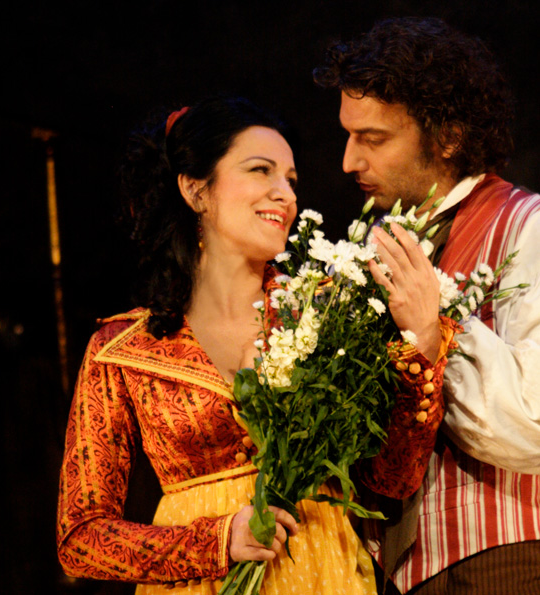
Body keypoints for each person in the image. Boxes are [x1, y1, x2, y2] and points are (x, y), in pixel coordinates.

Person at [56, 96, 454, 594]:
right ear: (196, 190)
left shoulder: (327, 314)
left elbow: (391, 480)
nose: (284, 194)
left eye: (290, 179)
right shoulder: (121, 350)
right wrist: (217, 541)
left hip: (320, 574)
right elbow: (81, 538)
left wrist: (421, 352)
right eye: (260, 170)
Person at [314, 16, 540, 595]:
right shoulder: (378, 245)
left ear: (448, 136)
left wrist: (436, 327)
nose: (348, 161)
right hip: (393, 572)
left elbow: (534, 422)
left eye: (374, 138)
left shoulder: (526, 227)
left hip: (502, 557)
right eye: (348, 134)